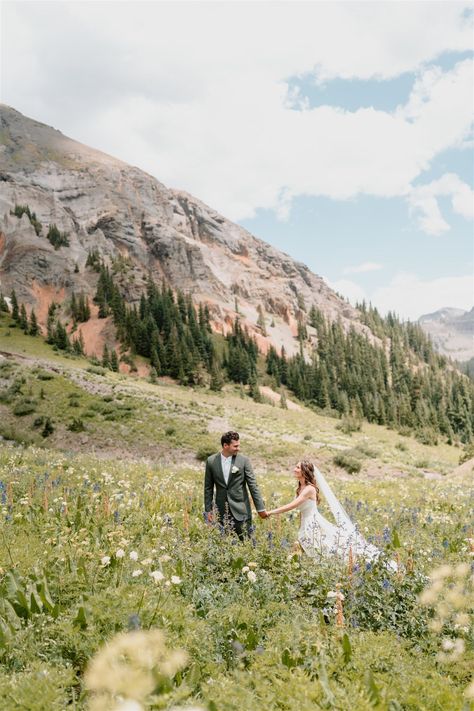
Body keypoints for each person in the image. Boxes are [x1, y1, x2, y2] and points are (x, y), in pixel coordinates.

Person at [266, 460, 396, 569]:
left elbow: (292, 506)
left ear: (304, 471)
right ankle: (311, 570)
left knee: (327, 547)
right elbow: (301, 510)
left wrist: (270, 512)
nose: (294, 469)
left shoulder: (309, 489)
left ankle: (362, 562)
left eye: (297, 467)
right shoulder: (300, 487)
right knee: (312, 548)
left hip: (313, 523)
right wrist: (301, 526)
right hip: (306, 523)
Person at [204, 431, 267, 540]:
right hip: (221, 512)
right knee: (223, 545)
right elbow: (208, 488)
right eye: (235, 446)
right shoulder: (211, 461)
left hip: (241, 511)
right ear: (225, 445)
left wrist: (260, 508)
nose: (238, 448)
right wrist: (208, 510)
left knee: (246, 542)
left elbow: (253, 485)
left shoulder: (244, 461)